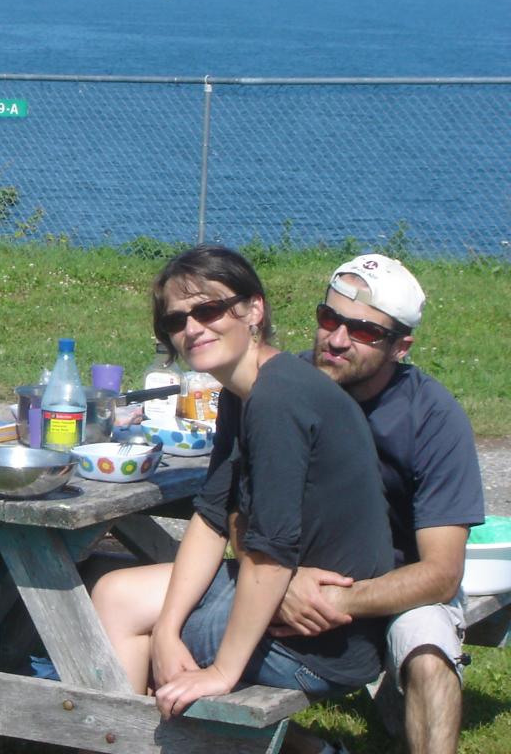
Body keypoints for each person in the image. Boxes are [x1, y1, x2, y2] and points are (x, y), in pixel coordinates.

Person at [92, 245, 396, 720]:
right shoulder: (245, 387)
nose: (192, 329)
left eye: (208, 309)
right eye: (176, 321)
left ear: (254, 310)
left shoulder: (277, 400)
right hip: (287, 605)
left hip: (321, 642)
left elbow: (271, 557)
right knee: (114, 594)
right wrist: (168, 631)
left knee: (121, 627)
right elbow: (212, 517)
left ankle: (119, 739)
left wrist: (221, 673)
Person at [275, 254, 484, 754]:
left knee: (428, 651)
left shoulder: (432, 418)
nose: (337, 339)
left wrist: (339, 601)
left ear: (400, 346)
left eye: (363, 331)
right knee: (181, 623)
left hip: (396, 587)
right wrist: (282, 580)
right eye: (329, 319)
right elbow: (234, 509)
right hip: (293, 579)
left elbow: (440, 574)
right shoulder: (283, 387)